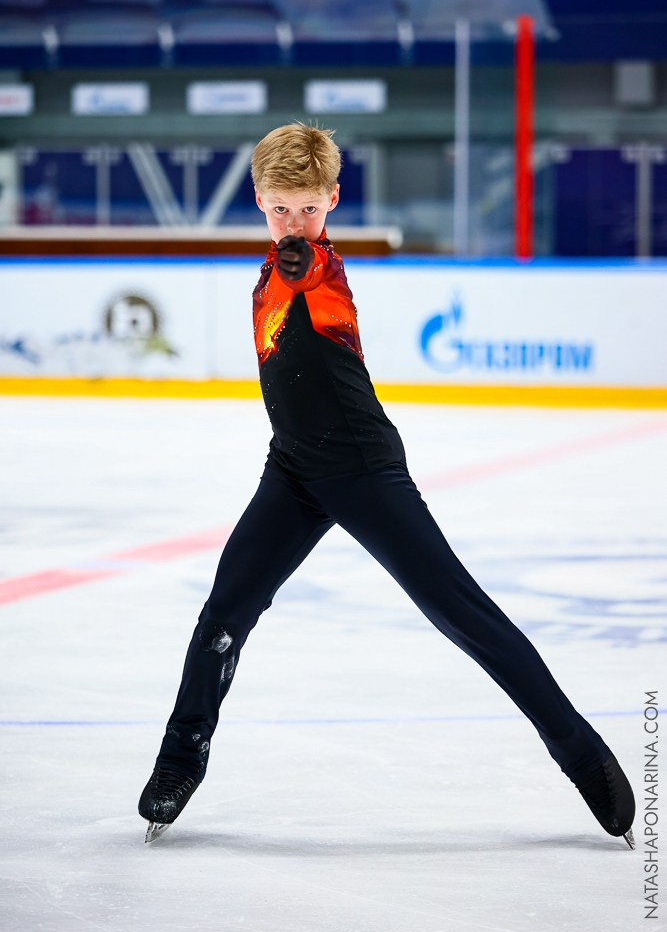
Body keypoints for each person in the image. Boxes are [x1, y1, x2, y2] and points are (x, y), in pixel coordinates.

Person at [139, 123, 635, 846]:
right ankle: (180, 760)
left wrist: (300, 255)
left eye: (309, 209)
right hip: (293, 468)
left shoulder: (320, 269)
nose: (294, 224)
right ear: (259, 200)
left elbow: (303, 265)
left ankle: (583, 755)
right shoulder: (268, 270)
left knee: (462, 613)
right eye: (281, 209)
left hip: (363, 468)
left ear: (333, 201)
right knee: (225, 611)